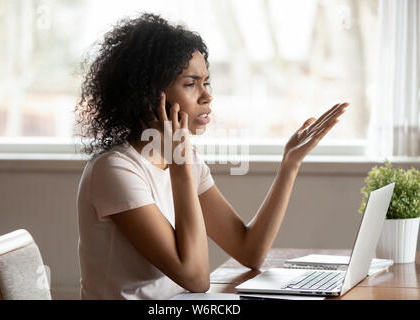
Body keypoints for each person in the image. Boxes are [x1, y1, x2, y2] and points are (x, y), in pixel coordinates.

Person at [75, 13, 349, 300]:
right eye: (191, 84)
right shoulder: (115, 170)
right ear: (150, 95)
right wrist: (181, 168)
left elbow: (249, 251)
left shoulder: (186, 160)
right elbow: (195, 278)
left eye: (206, 82)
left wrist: (289, 165)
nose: (207, 97)